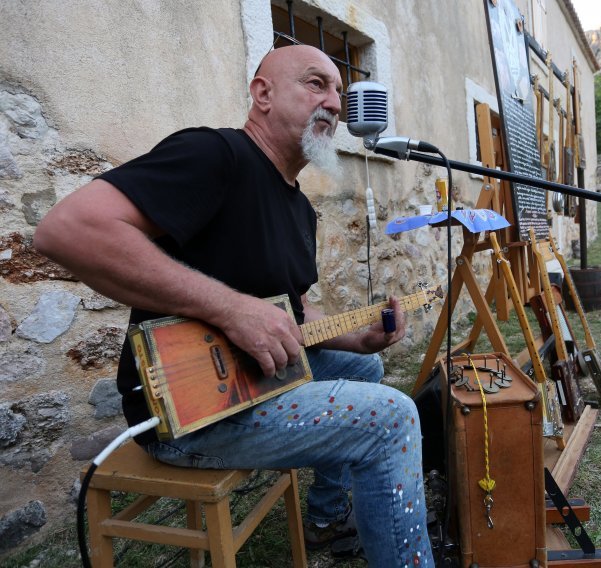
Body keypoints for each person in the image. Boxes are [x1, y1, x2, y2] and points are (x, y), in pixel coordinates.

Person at [34, 44, 432, 566]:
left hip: (256, 381)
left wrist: (356, 337)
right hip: (184, 413)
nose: (335, 104)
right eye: (316, 84)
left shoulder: (300, 210)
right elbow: (66, 230)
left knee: (365, 363)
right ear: (262, 94)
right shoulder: (214, 154)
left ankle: (326, 516)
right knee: (391, 417)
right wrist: (230, 309)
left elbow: (293, 313)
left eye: (338, 91)